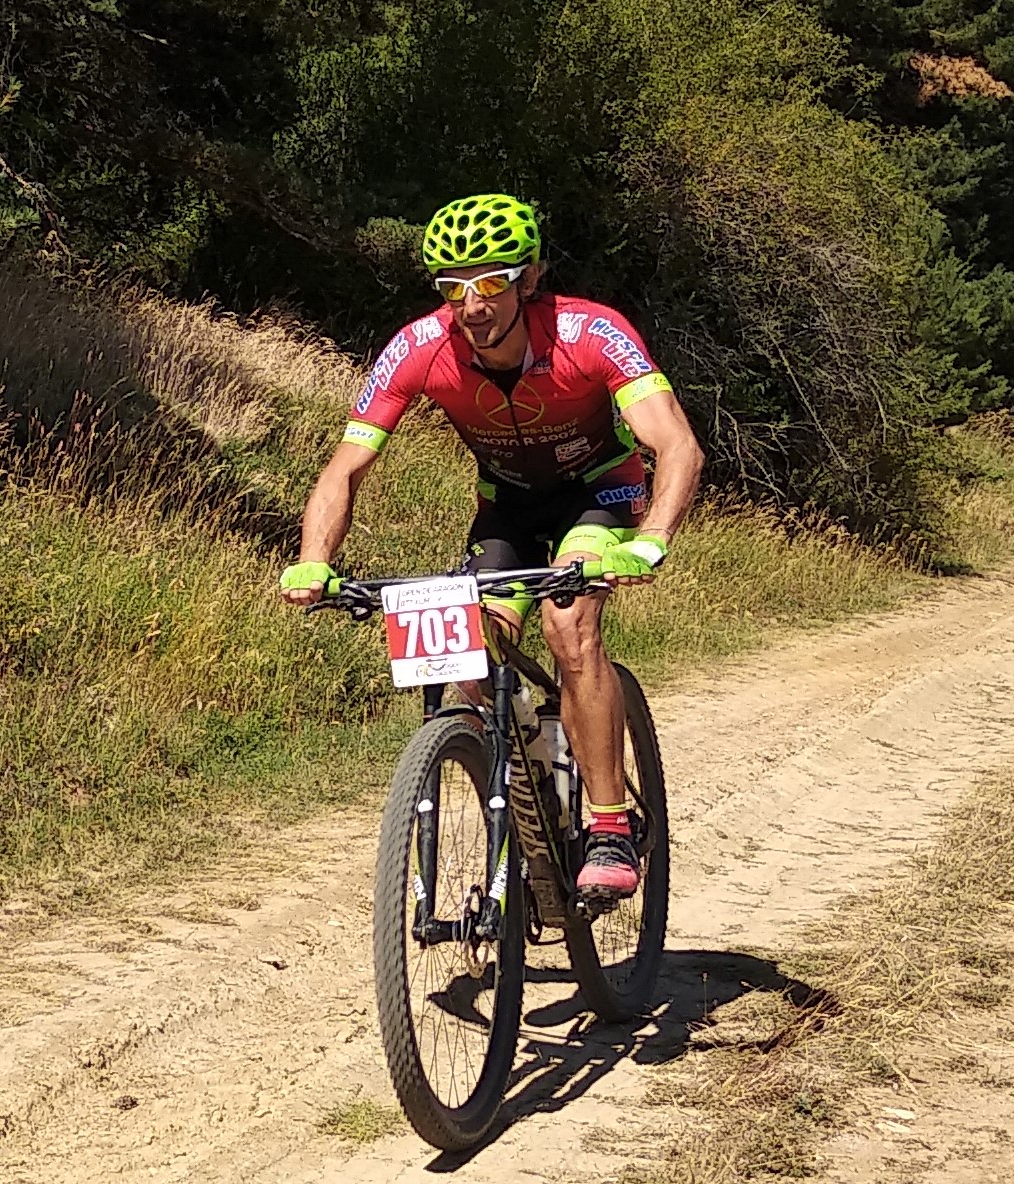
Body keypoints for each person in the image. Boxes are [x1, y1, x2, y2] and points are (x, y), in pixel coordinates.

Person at [280, 194, 703, 901]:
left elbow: (677, 445)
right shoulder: (419, 348)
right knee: (470, 655)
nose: (471, 305)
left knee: (567, 623)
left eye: (490, 284)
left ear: (528, 279)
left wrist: (651, 542)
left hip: (599, 493)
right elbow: (344, 467)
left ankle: (607, 825)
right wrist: (314, 559)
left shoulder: (590, 332)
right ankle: (531, 795)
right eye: (453, 288)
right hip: (507, 506)